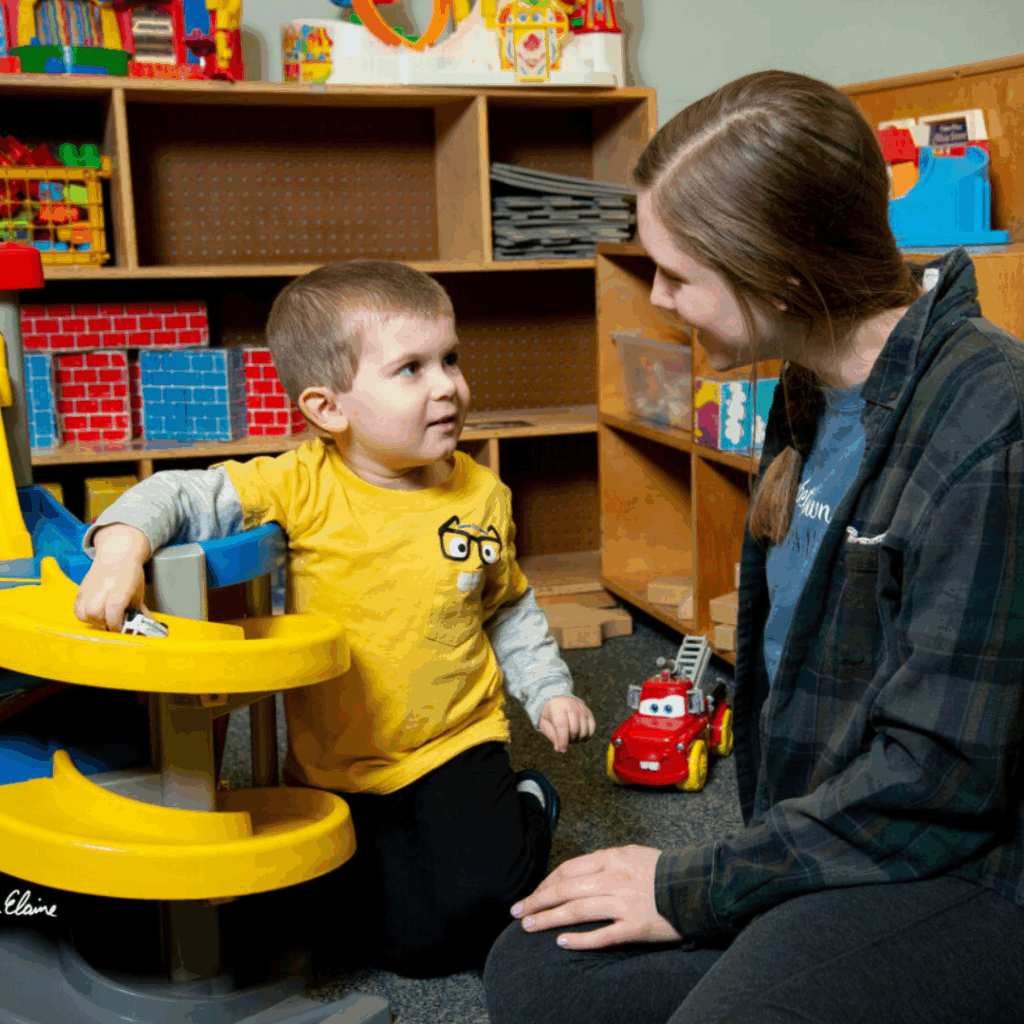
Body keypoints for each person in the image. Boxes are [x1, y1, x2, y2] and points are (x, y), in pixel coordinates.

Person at [483, 69, 1024, 1024]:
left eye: (679, 275)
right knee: (541, 967)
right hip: (833, 834)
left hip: (963, 867)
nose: (657, 297)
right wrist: (731, 878)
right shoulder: (809, 384)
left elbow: (937, 784)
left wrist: (693, 883)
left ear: (778, 271)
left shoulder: (994, 429)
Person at [73, 259, 596, 978]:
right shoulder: (300, 484)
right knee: (349, 936)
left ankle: (529, 803)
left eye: (450, 359)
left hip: (456, 742)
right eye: (410, 369)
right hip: (338, 764)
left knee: (473, 925)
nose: (447, 385)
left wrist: (548, 688)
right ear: (328, 409)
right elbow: (182, 493)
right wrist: (119, 545)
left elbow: (507, 604)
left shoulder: (483, 494)